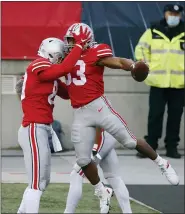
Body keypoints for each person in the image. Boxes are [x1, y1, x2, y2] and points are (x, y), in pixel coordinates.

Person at [63, 22, 179, 213]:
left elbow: (116, 61)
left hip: (99, 107)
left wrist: (132, 66)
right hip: (80, 113)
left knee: (130, 141)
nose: (68, 44)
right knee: (83, 161)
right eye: (68, 40)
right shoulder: (66, 57)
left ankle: (162, 163)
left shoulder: (96, 53)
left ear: (84, 41)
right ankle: (101, 190)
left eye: (72, 40)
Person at [17, 27, 91, 213]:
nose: (61, 60)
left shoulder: (50, 74)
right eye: (59, 56)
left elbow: (69, 94)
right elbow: (63, 67)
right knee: (36, 182)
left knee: (42, 180)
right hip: (33, 128)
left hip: (42, 128)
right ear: (51, 55)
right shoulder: (37, 65)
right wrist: (78, 47)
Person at [135, 4, 184, 159]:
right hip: (157, 82)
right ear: (165, 14)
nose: (174, 16)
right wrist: (147, 66)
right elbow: (140, 50)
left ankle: (172, 147)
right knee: (155, 115)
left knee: (175, 117)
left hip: (179, 83)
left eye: (177, 13)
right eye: (171, 13)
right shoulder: (153, 31)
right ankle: (151, 147)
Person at [64, 128, 132, 213]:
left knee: (76, 174)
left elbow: (96, 122)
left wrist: (95, 147)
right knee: (114, 177)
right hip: (106, 134)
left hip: (100, 137)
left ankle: (68, 212)